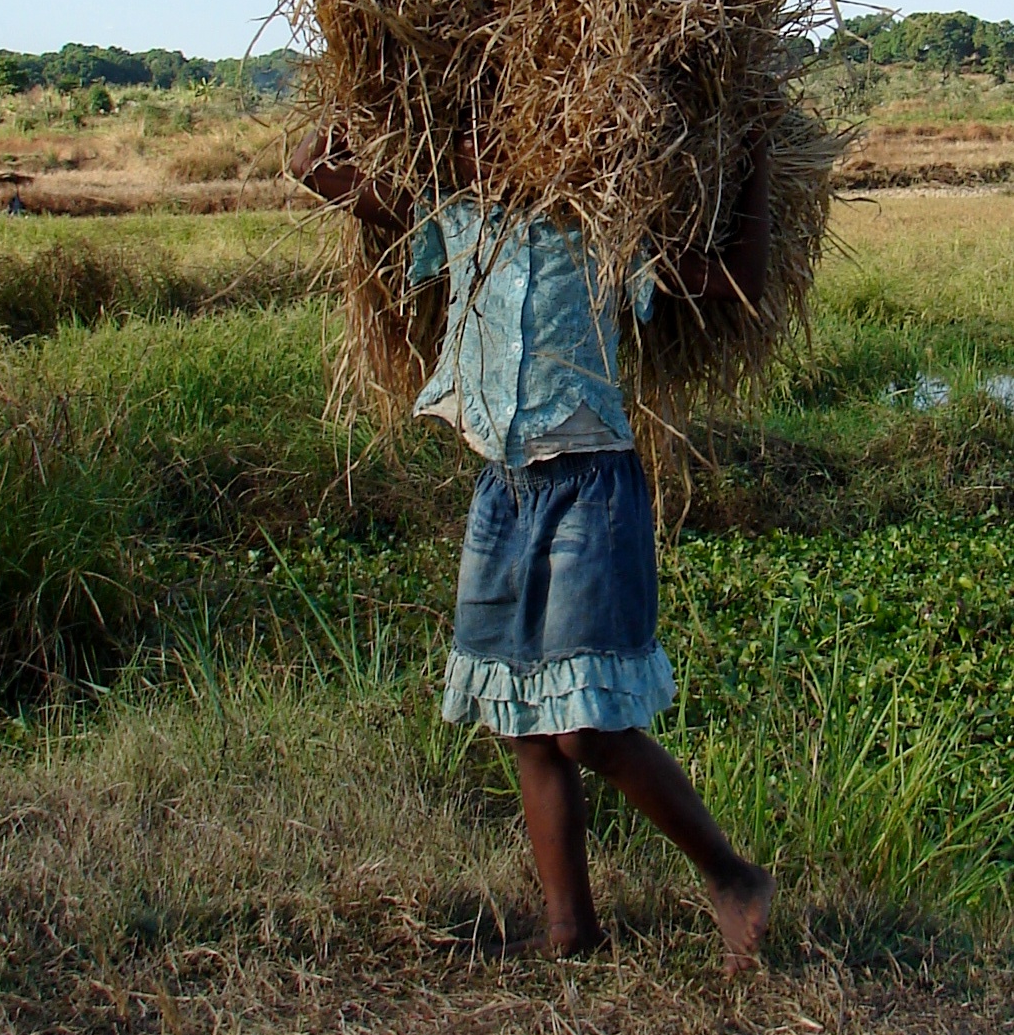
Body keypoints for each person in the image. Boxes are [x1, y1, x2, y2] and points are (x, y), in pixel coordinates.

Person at [290, 125, 777, 974]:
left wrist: (758, 166)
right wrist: (367, 116)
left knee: (584, 727)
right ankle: (570, 930)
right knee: (520, 719)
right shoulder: (457, 214)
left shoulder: (604, 222)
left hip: (593, 485)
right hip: (503, 488)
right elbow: (312, 167)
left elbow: (735, 280)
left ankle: (732, 877)